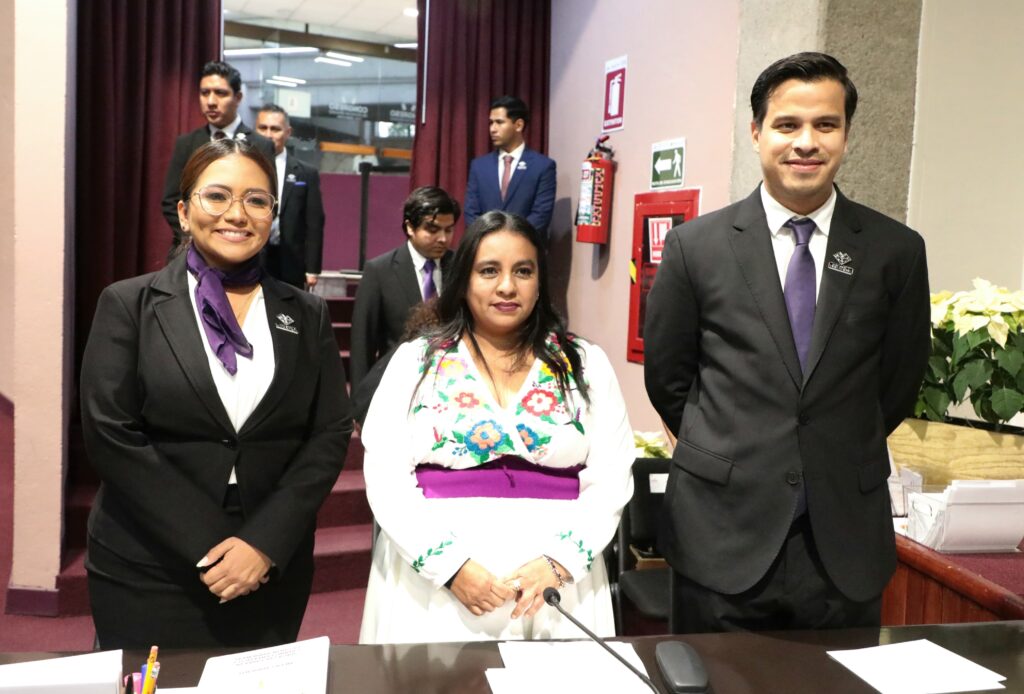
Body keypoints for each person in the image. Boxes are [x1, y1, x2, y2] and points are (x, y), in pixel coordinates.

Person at [644, 52, 931, 633]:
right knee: (711, 676)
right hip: (721, 532)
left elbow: (898, 380)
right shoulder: (696, 247)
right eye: (787, 125)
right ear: (756, 132)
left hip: (842, 540)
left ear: (846, 134)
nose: (806, 142)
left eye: (826, 125)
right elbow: (669, 379)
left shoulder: (895, 250)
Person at [81, 139, 352, 648]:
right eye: (218, 196)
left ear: (273, 215)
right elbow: (111, 434)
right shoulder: (129, 304)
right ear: (185, 212)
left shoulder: (305, 313)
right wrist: (213, 545)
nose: (237, 214)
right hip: (149, 559)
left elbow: (330, 431)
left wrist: (262, 543)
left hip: (268, 563)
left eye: (256, 200)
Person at [358, 211, 634, 644]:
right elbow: (385, 474)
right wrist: (450, 568)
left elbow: (612, 476)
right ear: (463, 280)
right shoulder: (418, 361)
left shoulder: (584, 363)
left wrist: (560, 562)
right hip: (433, 587)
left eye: (523, 271)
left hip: (556, 588)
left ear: (540, 281)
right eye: (489, 271)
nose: (507, 286)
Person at [349, 186, 459, 389]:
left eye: (449, 230)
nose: (443, 238)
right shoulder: (380, 271)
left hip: (452, 382)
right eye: (433, 230)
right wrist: (359, 400)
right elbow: (362, 344)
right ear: (410, 227)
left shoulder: (460, 266)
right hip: (397, 384)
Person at [161, 60, 275, 250]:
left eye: (220, 93)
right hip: (190, 248)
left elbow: (268, 202)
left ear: (238, 97)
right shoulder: (186, 143)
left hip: (242, 248)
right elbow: (171, 200)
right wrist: (195, 235)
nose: (211, 102)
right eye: (205, 93)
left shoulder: (260, 145)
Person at [464, 96, 556, 238]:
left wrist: (510, 241)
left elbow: (541, 214)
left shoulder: (542, 166)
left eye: (499, 122)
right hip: (486, 245)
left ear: (518, 125)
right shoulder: (479, 166)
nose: (492, 129)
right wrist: (489, 240)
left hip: (525, 246)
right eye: (491, 123)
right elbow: (471, 212)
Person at [255, 104, 325, 289]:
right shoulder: (242, 167)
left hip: (290, 261)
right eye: (263, 128)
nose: (268, 134)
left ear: (288, 132)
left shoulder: (305, 173)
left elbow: (314, 223)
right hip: (250, 257)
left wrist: (312, 269)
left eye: (275, 129)